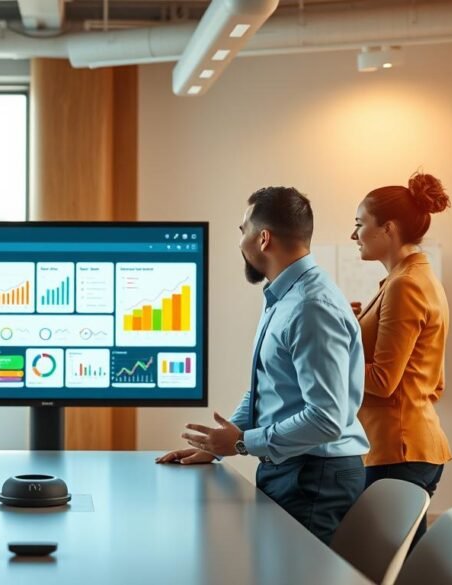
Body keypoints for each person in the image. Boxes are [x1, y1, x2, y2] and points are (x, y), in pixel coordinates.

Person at [157, 186, 369, 545]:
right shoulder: (284, 296)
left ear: (263, 238)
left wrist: (241, 443)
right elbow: (269, 386)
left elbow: (326, 417)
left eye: (243, 231)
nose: (240, 241)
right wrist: (216, 443)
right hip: (296, 468)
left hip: (313, 476)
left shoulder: (309, 306)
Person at [351, 171, 452, 545]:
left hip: (397, 450)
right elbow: (427, 378)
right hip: (404, 447)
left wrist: (328, 363)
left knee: (385, 565)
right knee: (397, 564)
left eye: (360, 224)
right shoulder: (412, 278)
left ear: (388, 229)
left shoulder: (405, 285)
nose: (353, 234)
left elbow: (383, 381)